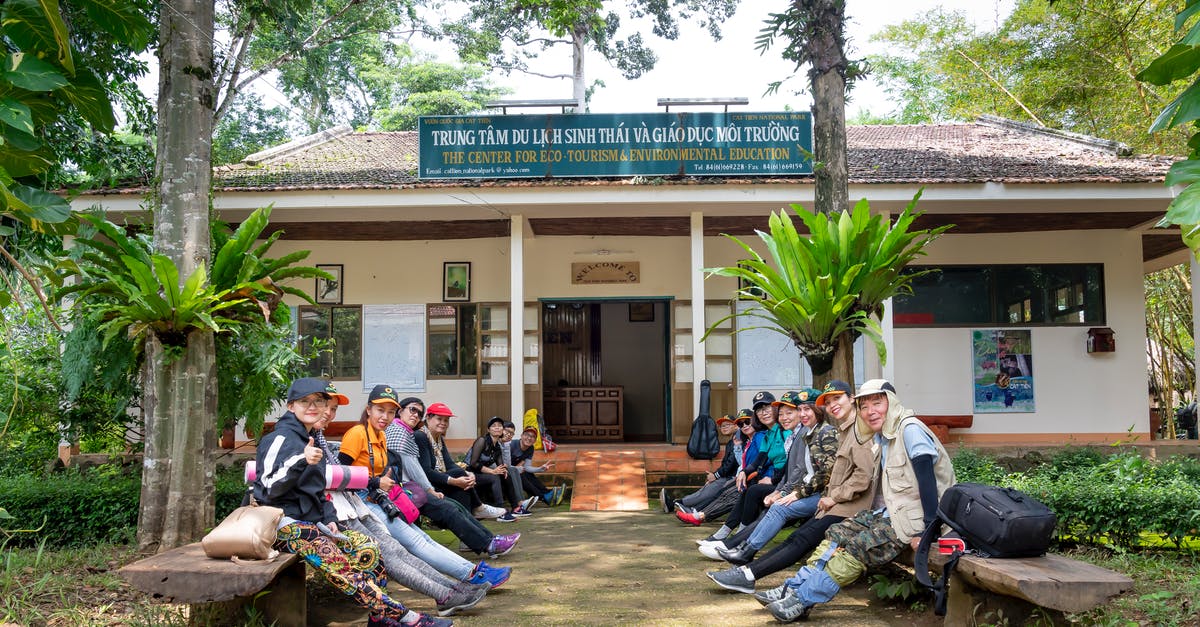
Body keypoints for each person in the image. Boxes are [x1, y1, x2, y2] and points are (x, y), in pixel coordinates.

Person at [252, 377, 449, 627]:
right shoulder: (280, 438)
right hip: (281, 522)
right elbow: (267, 487)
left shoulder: (309, 437)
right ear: (291, 406)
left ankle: (380, 619)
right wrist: (300, 460)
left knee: (368, 547)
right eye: (304, 401)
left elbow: (316, 488)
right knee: (339, 564)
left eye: (319, 402)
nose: (313, 406)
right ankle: (406, 618)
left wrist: (329, 518)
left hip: (310, 522)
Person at [762, 379, 956, 622]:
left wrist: (929, 530)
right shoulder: (883, 437)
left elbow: (928, 481)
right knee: (837, 532)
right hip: (891, 512)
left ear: (892, 403)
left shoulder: (910, 429)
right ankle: (794, 588)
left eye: (878, 403)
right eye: (864, 406)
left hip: (919, 518)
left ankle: (803, 599)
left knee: (859, 546)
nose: (870, 411)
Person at [318, 395, 494, 616]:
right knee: (401, 548)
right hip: (353, 503)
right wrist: (376, 482)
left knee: (414, 540)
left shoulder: (378, 435)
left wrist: (383, 483)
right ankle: (453, 587)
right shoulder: (356, 434)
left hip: (365, 500)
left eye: (390, 412)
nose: (327, 413)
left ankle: (453, 588)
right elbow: (336, 477)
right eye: (381, 410)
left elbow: (335, 476)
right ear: (369, 409)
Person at [706, 380, 877, 594]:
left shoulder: (853, 432)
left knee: (800, 537)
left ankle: (753, 572)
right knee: (795, 535)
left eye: (838, 398)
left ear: (852, 399)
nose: (833, 404)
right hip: (833, 502)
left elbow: (859, 476)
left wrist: (822, 497)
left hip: (847, 506)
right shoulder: (842, 431)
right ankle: (747, 567)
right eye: (829, 400)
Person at [713, 387, 839, 564]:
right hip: (806, 490)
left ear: (818, 409)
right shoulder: (808, 433)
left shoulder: (824, 432)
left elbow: (823, 474)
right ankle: (742, 546)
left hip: (822, 494)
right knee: (761, 498)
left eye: (806, 409)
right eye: (800, 409)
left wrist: (793, 493)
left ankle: (745, 549)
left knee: (777, 507)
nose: (802, 414)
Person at [384, 396, 520, 558]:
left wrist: (465, 475)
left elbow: (447, 464)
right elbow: (420, 470)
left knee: (458, 500)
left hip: (412, 487)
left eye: (419, 413)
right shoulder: (407, 434)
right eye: (412, 410)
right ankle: (486, 535)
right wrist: (436, 488)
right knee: (451, 506)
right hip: (407, 490)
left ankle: (487, 539)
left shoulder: (411, 433)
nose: (415, 415)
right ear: (401, 412)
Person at [675, 407, 766, 535]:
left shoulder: (759, 437)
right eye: (741, 423)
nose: (744, 426)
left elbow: (756, 461)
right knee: (725, 492)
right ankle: (698, 513)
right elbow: (743, 462)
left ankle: (698, 513)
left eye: (747, 422)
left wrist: (719, 475)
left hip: (749, 477)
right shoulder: (744, 441)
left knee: (727, 493)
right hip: (743, 476)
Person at [661, 414, 738, 513]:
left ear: (736, 426)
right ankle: (678, 504)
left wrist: (716, 475)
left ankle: (678, 504)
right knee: (707, 489)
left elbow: (731, 463)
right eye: (722, 426)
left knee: (710, 489)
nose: (724, 427)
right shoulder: (731, 442)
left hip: (733, 478)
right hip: (728, 476)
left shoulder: (737, 440)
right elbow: (726, 465)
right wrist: (715, 475)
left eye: (728, 425)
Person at [465, 417, 531, 521]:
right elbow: (473, 463)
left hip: (483, 474)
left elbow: (501, 465)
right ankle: (501, 512)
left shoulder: (497, 447)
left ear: (502, 430)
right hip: (470, 474)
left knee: (505, 475)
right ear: (488, 430)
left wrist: (503, 470)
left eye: (499, 426)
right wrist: (492, 471)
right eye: (493, 426)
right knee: (494, 477)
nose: (497, 428)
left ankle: (515, 508)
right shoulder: (482, 441)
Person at [511, 427, 566, 506]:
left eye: (533, 436)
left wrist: (540, 468)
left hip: (516, 471)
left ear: (535, 440)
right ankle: (544, 497)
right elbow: (503, 463)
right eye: (527, 435)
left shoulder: (530, 448)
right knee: (521, 475)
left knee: (527, 473)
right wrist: (516, 468)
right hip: (505, 472)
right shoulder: (512, 445)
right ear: (521, 435)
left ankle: (548, 494)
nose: (529, 438)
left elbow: (527, 467)